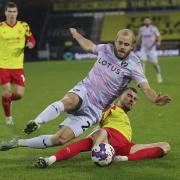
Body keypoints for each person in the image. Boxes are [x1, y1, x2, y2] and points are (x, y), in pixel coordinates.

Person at [0, 28, 171, 150]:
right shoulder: (106, 49)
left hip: (96, 109)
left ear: (132, 46)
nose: (122, 47)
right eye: (119, 42)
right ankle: (36, 122)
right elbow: (89, 46)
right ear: (115, 41)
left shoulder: (134, 65)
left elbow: (145, 87)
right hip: (85, 91)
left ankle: (19, 142)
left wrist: (155, 98)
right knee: (70, 101)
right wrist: (76, 35)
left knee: (60, 139)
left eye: (126, 44)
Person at [33, 87, 170, 168]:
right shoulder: (111, 107)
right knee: (101, 132)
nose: (131, 100)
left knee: (165, 146)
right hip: (106, 138)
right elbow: (94, 117)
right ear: (119, 95)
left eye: (134, 99)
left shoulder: (124, 115)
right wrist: (93, 134)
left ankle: (122, 158)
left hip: (124, 146)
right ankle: (50, 159)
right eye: (129, 95)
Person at [0, 2, 36, 125]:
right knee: (6, 91)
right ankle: (8, 117)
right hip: (3, 66)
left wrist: (31, 43)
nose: (11, 14)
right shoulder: (0, 27)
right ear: (5, 13)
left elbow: (31, 38)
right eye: (9, 12)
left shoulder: (23, 26)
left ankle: (6, 102)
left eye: (14, 12)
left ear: (17, 13)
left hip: (18, 67)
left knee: (20, 95)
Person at [137, 17, 162, 83]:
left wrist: (159, 41)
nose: (147, 21)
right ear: (144, 22)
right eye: (145, 21)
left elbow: (158, 36)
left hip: (151, 49)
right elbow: (139, 37)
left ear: (150, 21)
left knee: (155, 64)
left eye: (148, 20)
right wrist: (136, 44)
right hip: (143, 48)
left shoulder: (154, 28)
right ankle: (142, 77)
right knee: (142, 61)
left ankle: (158, 75)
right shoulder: (141, 29)